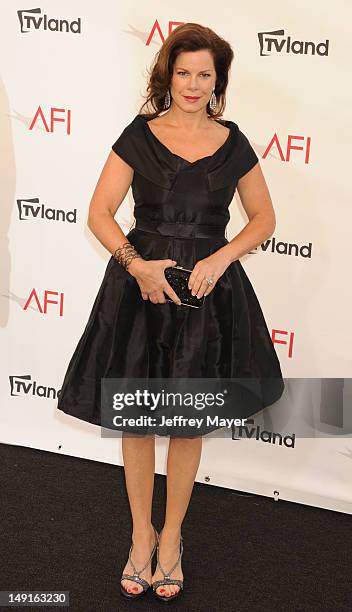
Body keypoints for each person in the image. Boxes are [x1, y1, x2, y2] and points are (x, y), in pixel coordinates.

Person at [57, 22, 284, 603]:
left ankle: (172, 539)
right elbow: (101, 212)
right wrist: (137, 265)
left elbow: (262, 218)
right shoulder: (138, 135)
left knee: (187, 425)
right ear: (168, 75)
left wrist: (222, 257)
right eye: (183, 72)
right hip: (142, 291)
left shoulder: (234, 142)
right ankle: (140, 537)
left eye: (204, 74)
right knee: (134, 418)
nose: (192, 83)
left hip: (206, 296)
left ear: (217, 81)